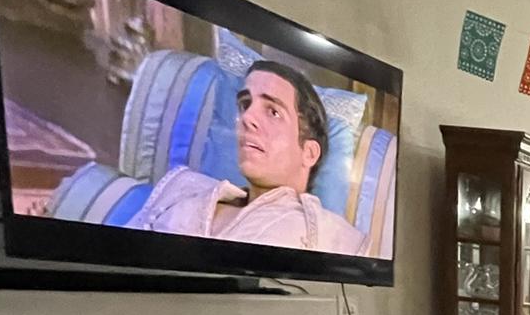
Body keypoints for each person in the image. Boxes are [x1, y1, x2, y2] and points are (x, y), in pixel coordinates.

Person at [129, 60, 367, 255]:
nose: (247, 118)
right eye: (245, 104)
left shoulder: (335, 237)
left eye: (273, 111)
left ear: (309, 153)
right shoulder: (183, 186)